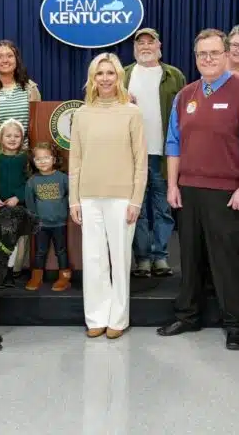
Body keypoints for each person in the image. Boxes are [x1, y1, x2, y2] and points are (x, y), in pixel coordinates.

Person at [156, 29, 239, 350]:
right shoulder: (185, 95)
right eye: (202, 54)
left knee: (228, 260)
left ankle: (234, 323)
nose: (208, 59)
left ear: (227, 54)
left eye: (214, 53)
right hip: (188, 190)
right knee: (189, 257)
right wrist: (173, 185)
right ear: (196, 58)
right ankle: (188, 315)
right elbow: (173, 144)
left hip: (228, 192)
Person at [69, 52, 147, 340]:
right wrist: (74, 200)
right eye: (100, 73)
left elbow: (141, 160)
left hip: (122, 198)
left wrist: (136, 199)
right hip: (88, 197)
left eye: (110, 73)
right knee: (93, 260)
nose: (105, 78)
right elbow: (74, 160)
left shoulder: (131, 112)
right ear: (93, 78)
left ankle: (118, 317)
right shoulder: (81, 114)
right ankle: (96, 316)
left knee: (120, 257)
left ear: (119, 77)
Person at [123, 28, 186, 278]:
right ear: (135, 48)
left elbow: (183, 115)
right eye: (141, 43)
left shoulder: (174, 76)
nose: (146, 47)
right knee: (136, 209)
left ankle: (160, 256)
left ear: (159, 46)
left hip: (164, 154)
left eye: (151, 42)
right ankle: (142, 259)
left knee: (162, 208)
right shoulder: (123, 75)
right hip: (131, 155)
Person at [0, 40, 41, 147]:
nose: (5, 60)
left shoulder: (31, 88)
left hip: (26, 155)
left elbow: (38, 126)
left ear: (17, 59)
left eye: (10, 56)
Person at [25, 142, 71, 292]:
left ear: (54, 159)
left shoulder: (63, 178)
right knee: (40, 251)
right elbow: (30, 204)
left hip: (59, 224)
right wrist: (34, 221)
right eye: (38, 159)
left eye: (46, 158)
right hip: (41, 225)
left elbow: (71, 198)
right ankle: (36, 277)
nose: (42, 161)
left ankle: (64, 277)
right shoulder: (32, 181)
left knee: (61, 251)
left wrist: (66, 212)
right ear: (33, 161)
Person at [0, 118, 30, 287]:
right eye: (8, 135)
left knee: (13, 240)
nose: (12, 139)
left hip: (16, 207)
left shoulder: (24, 158)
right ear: (1, 138)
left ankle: (10, 272)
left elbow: (29, 181)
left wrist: (18, 197)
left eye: (17, 136)